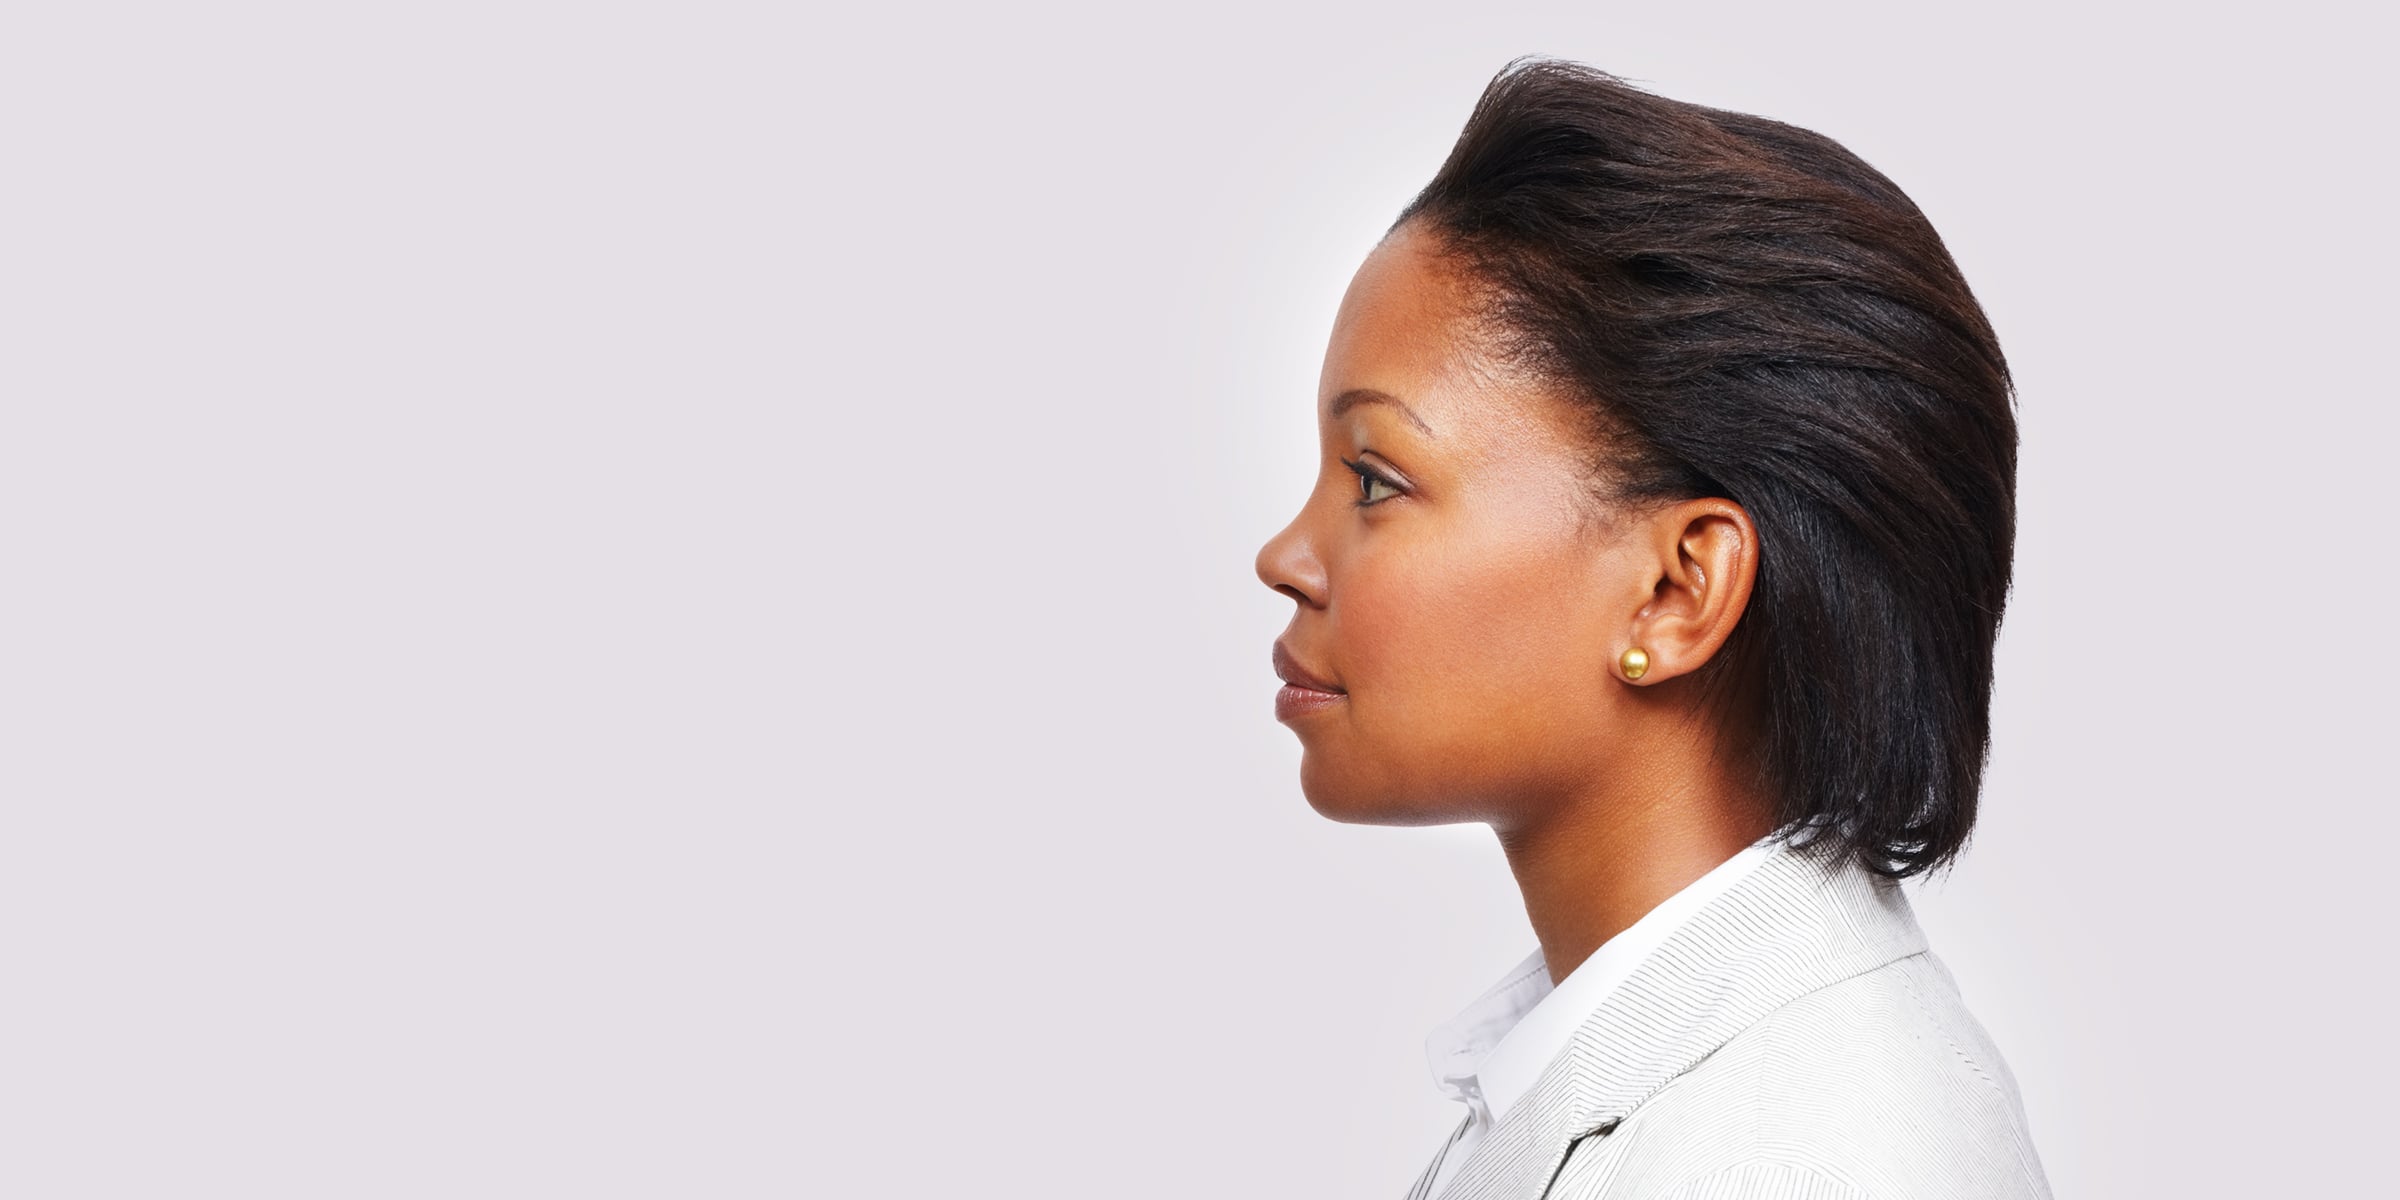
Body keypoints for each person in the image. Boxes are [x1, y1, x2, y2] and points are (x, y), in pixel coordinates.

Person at [1253, 58, 2052, 1200]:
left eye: (1376, 479)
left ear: (1677, 591)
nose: (1285, 556)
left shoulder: (1810, 1159)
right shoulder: (1628, 1082)